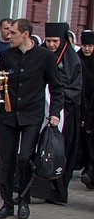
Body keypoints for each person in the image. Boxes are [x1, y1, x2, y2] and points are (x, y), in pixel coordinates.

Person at [0, 18, 63, 219]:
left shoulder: (45, 57)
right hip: (8, 114)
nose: (8, 36)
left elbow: (57, 88)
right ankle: (7, 202)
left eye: (13, 33)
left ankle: (23, 199)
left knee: (25, 158)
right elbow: (0, 80)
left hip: (32, 114)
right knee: (7, 159)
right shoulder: (6, 55)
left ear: (25, 34)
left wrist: (55, 113)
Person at [33, 22, 82, 204]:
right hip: (40, 110)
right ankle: (35, 189)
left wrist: (53, 92)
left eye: (55, 41)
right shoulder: (41, 56)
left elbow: (75, 89)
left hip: (64, 114)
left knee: (59, 152)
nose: (51, 45)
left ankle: (57, 192)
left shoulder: (72, 61)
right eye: (48, 41)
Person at [79, 30, 94, 189]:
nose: (87, 49)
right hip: (81, 101)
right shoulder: (78, 58)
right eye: (85, 46)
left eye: (90, 46)